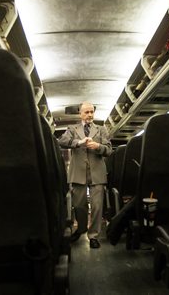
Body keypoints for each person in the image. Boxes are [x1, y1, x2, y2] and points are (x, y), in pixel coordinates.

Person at [58, 102, 112, 248]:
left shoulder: (101, 129)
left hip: (97, 173)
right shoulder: (72, 129)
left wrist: (98, 146)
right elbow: (62, 141)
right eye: (86, 112)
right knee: (79, 205)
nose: (89, 115)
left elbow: (109, 150)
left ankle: (93, 235)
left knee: (97, 205)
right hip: (78, 173)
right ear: (80, 114)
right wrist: (78, 142)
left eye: (91, 112)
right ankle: (81, 228)